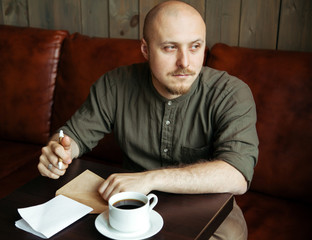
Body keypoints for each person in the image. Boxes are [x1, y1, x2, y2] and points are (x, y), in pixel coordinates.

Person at [38, 1, 258, 239]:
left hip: (207, 206)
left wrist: (150, 178)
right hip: (130, 205)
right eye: (170, 47)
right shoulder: (115, 85)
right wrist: (57, 152)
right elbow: (74, 136)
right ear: (145, 49)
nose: (185, 62)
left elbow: (236, 174)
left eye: (195, 46)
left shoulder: (231, 93)